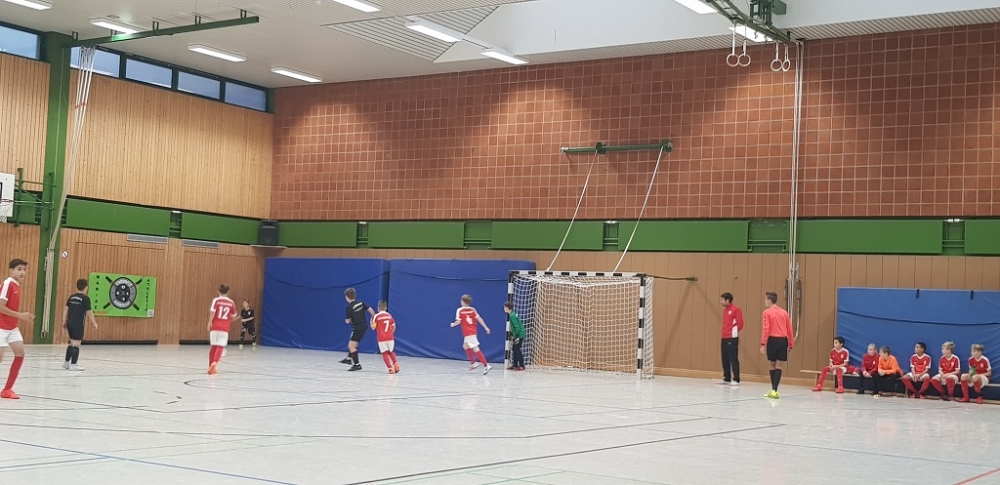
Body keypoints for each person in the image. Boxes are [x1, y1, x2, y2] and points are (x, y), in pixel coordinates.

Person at [0, 259, 33, 399]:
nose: (22, 272)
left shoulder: (16, 285)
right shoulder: (7, 284)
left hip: (12, 327)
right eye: (19, 269)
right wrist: (20, 315)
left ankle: (7, 390)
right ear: (11, 270)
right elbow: (0, 307)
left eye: (24, 269)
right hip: (1, 327)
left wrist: (24, 317)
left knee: (20, 353)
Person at [760, 292, 793, 399]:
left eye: (766, 299)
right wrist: (791, 342)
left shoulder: (766, 312)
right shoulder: (784, 312)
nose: (765, 301)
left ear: (769, 300)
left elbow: (766, 328)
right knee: (779, 365)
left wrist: (763, 343)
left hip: (773, 339)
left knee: (772, 364)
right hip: (783, 340)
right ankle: (775, 390)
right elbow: (789, 328)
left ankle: (773, 389)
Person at [62, 278, 98, 371]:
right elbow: (89, 312)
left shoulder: (72, 297)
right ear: (86, 288)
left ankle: (66, 363)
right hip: (78, 324)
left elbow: (66, 309)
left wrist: (64, 320)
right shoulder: (86, 299)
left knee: (71, 343)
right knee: (76, 344)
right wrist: (94, 323)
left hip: (69, 322)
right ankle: (73, 364)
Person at [450, 294, 491, 375]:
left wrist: (453, 324)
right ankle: (473, 363)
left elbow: (458, 321)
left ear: (463, 302)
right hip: (472, 331)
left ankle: (486, 365)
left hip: (468, 333)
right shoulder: (473, 310)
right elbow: (479, 319)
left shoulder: (460, 310)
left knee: (475, 348)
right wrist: (486, 327)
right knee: (466, 346)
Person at [341, 288, 375, 372]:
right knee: (353, 341)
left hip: (357, 327)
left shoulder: (349, 308)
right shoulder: (361, 303)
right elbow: (370, 310)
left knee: (351, 345)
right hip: (364, 326)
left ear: (347, 297)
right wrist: (374, 318)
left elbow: (347, 321)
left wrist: (348, 319)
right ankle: (349, 358)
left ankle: (357, 364)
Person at [207, 285, 237, 375]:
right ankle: (215, 363)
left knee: (213, 346)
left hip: (215, 326)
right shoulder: (231, 302)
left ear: (218, 291)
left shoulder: (216, 300)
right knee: (220, 346)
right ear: (228, 292)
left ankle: (210, 366)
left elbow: (213, 311)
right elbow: (233, 315)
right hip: (224, 327)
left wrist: (210, 322)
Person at [719, 292, 744, 386]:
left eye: (722, 300)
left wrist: (733, 332)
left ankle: (736, 379)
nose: (721, 302)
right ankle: (727, 378)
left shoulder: (736, 309)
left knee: (733, 358)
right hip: (724, 337)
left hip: (732, 338)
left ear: (727, 300)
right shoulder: (725, 311)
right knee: (724, 358)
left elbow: (740, 324)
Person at [372, 301, 400, 374]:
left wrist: (371, 322)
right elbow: (394, 326)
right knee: (391, 351)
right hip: (390, 337)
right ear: (386, 308)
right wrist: (391, 333)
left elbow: (373, 327)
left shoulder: (376, 316)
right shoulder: (389, 315)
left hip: (381, 338)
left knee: (384, 353)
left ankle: (390, 368)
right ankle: (396, 364)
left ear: (378, 308)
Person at [505, 302, 525, 371]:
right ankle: (515, 365)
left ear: (507, 308)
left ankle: (522, 365)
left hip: (519, 335)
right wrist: (512, 333)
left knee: (517, 349)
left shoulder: (512, 316)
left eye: (505, 307)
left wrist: (516, 336)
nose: (504, 309)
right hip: (519, 334)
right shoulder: (513, 314)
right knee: (514, 349)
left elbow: (517, 327)